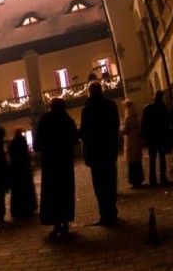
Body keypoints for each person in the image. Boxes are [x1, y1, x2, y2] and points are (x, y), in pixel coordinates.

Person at [35, 98, 79, 238]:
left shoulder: (45, 120)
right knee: (65, 191)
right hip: (65, 161)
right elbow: (74, 139)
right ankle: (65, 223)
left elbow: (38, 143)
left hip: (50, 162)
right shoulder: (67, 120)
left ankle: (55, 224)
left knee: (52, 192)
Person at [79, 80, 120, 226]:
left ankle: (104, 214)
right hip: (109, 150)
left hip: (96, 153)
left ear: (90, 92)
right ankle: (112, 211)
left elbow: (84, 133)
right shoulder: (111, 105)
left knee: (100, 184)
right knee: (110, 182)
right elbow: (116, 126)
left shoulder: (87, 109)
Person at [141, 90, 170, 186]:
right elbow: (167, 122)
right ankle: (163, 177)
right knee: (162, 158)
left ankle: (152, 179)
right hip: (161, 136)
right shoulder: (163, 108)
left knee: (152, 159)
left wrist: (144, 136)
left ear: (154, 97)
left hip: (152, 137)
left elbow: (144, 124)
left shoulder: (148, 108)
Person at [8, 127, 37, 219]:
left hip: (16, 169)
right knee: (26, 189)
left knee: (17, 191)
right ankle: (28, 208)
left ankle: (18, 210)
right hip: (24, 168)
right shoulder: (22, 141)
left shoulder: (12, 142)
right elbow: (26, 154)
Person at [120, 99, 144, 189]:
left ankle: (134, 181)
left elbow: (125, 130)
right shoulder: (134, 115)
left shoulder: (128, 117)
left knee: (132, 162)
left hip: (130, 140)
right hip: (136, 139)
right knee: (137, 161)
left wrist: (121, 127)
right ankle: (139, 179)